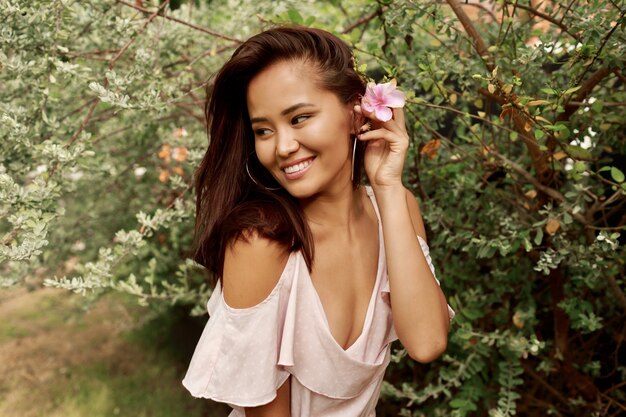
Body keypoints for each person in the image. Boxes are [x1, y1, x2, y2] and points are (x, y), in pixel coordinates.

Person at [182, 25, 455, 417]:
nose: (283, 146)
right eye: (263, 130)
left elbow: (427, 342)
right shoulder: (260, 244)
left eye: (299, 118)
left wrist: (388, 185)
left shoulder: (396, 209)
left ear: (354, 111)